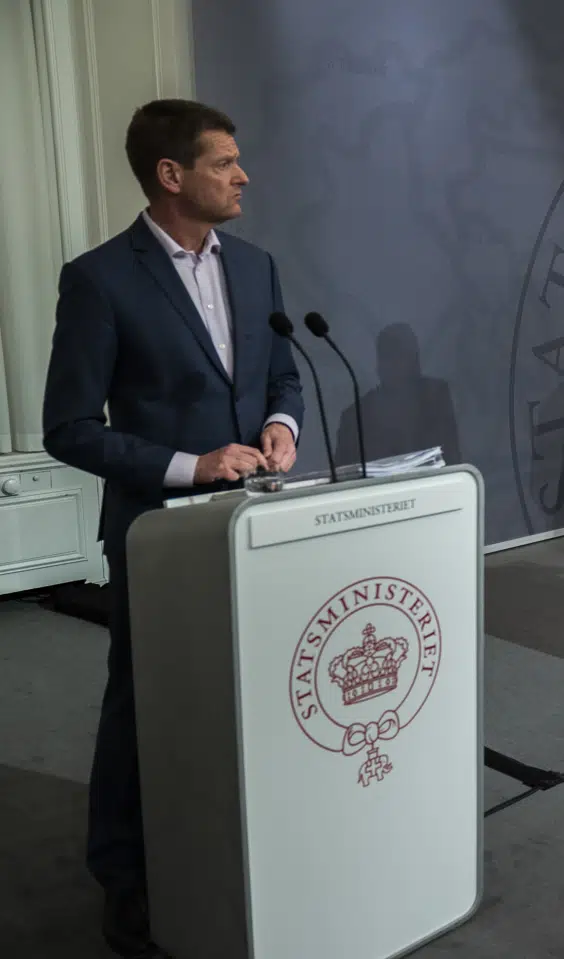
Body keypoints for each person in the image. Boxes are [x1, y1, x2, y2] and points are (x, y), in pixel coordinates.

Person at [41, 99, 303, 958]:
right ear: (171, 175)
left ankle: (238, 843)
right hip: (159, 531)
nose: (243, 175)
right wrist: (194, 466)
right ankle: (125, 877)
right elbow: (70, 427)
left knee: (250, 693)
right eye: (225, 162)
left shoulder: (258, 267)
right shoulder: (100, 279)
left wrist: (280, 429)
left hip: (256, 528)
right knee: (144, 702)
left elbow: (282, 376)